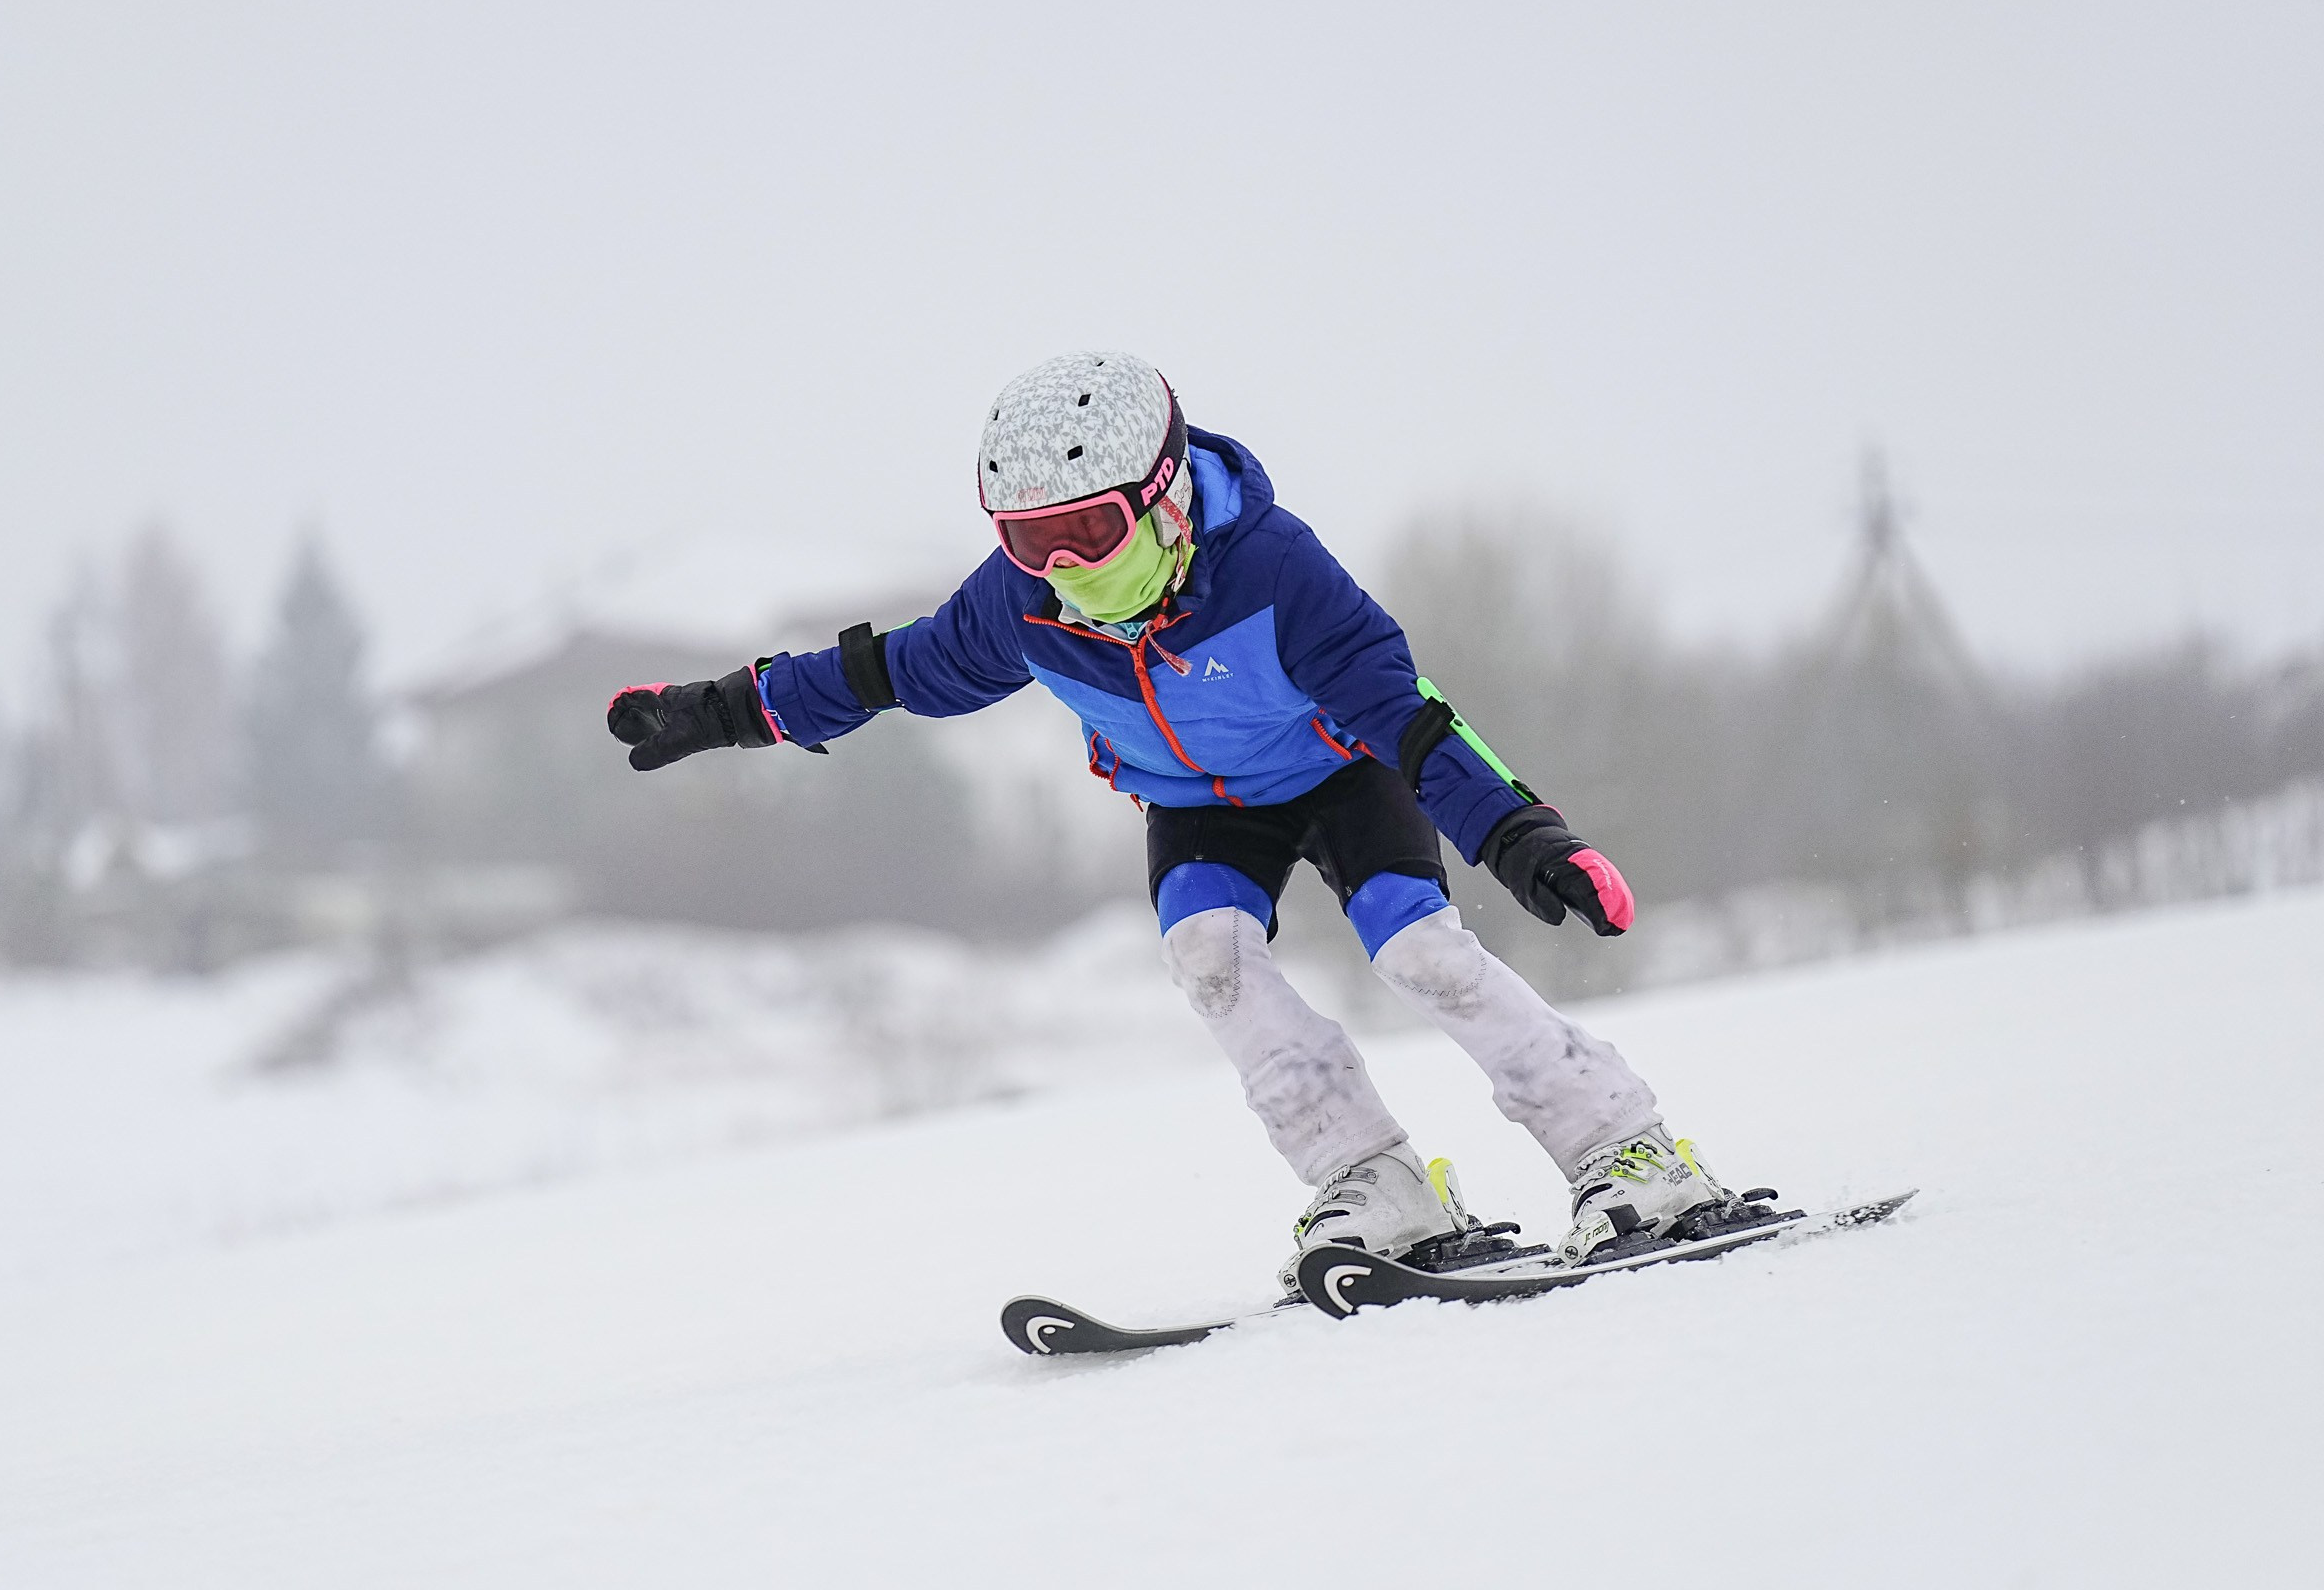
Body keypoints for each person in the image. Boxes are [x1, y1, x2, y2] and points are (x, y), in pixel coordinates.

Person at [608, 350, 1747, 1284]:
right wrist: (723, 712)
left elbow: (1413, 726)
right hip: (1201, 806)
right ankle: (1374, 1184)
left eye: (1087, 535)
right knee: (1208, 958)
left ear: (1160, 500)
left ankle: (1625, 1148)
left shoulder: (1275, 571)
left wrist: (1519, 834)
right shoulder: (1024, 607)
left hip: (1340, 773)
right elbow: (887, 671)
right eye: (1026, 540)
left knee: (1420, 955)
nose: (1057, 568)